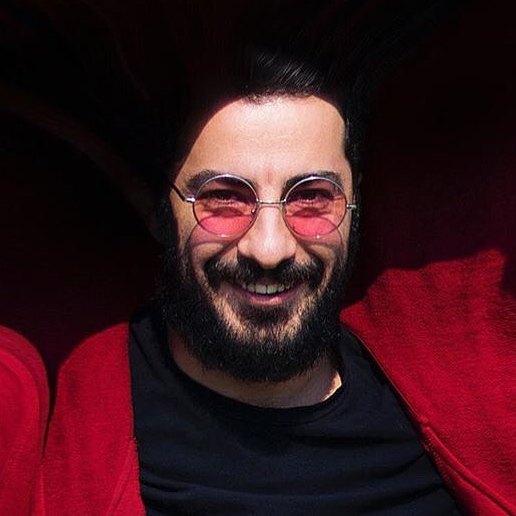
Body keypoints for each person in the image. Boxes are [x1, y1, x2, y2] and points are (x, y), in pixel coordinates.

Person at [40, 47, 472, 515]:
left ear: (355, 206)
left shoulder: (445, 424)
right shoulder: (79, 425)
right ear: (161, 209)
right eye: (224, 197)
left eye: (311, 197)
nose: (269, 249)